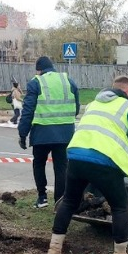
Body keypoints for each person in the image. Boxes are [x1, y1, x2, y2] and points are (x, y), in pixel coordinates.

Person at [46, 75, 128, 254]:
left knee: (70, 201)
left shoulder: (93, 104)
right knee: (119, 207)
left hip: (76, 157)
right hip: (106, 162)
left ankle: (54, 249)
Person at [17, 56, 80, 209]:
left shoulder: (35, 82)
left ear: (39, 70)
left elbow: (28, 110)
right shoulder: (68, 81)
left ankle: (42, 197)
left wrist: (22, 133)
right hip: (65, 133)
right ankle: (59, 202)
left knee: (39, 164)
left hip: (42, 133)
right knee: (61, 167)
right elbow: (77, 107)